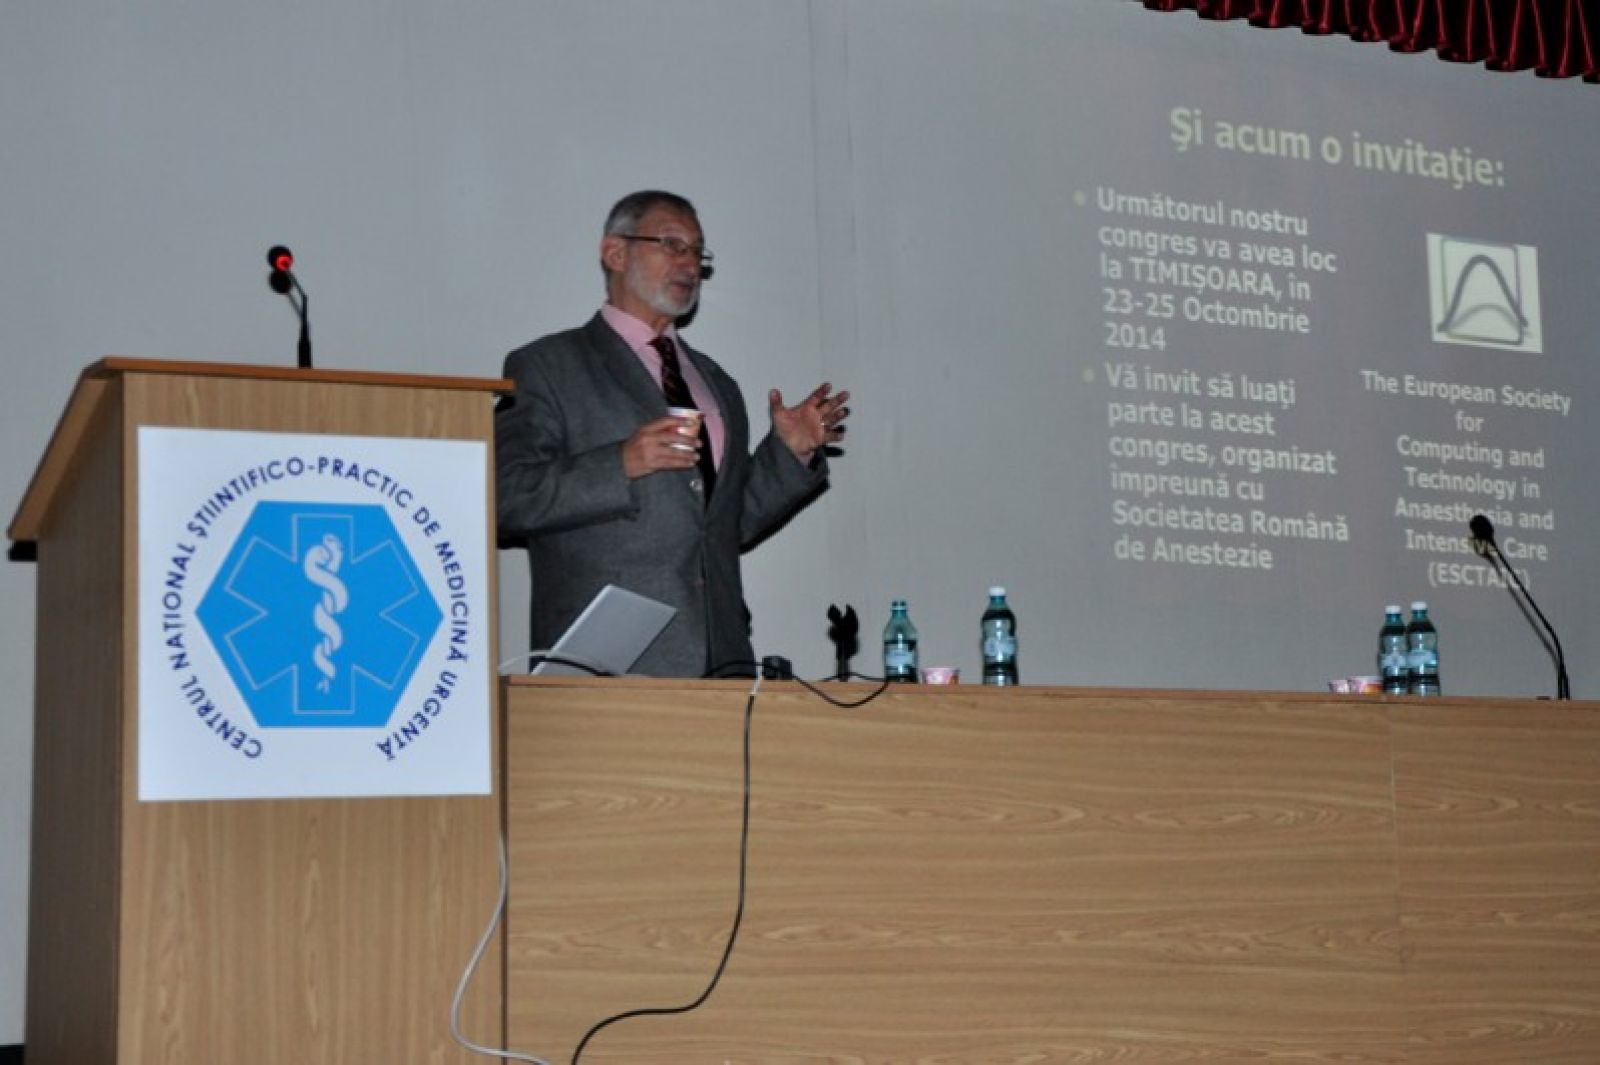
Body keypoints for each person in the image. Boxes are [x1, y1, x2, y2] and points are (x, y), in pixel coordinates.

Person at [496, 190, 850, 677]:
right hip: (604, 665)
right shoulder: (548, 366)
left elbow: (725, 525)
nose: (690, 263)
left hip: (722, 660)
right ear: (615, 253)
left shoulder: (716, 383)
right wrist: (620, 463)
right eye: (672, 244)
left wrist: (788, 454)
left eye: (698, 252)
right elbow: (504, 498)